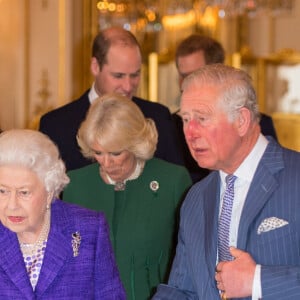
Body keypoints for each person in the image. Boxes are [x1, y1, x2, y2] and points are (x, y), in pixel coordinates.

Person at [153, 64, 300, 299]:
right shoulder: (195, 198)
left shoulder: (295, 178)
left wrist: (258, 281)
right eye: (186, 119)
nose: (190, 133)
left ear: (241, 120)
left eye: (202, 118)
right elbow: (182, 290)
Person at [62, 93, 192, 300]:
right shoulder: (75, 185)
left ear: (135, 143)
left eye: (115, 153)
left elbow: (189, 261)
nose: (106, 162)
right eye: (98, 152)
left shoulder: (172, 181)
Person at [0, 129, 125, 299]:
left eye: (24, 192)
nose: (12, 205)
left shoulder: (88, 229)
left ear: (49, 190)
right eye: (2, 191)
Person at [39, 26, 183, 171]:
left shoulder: (159, 117)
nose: (127, 86)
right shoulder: (55, 126)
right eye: (118, 76)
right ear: (95, 67)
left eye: (135, 75)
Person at [173, 34, 278, 183]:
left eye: (195, 75)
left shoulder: (258, 123)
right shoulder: (169, 125)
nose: (186, 83)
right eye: (182, 76)